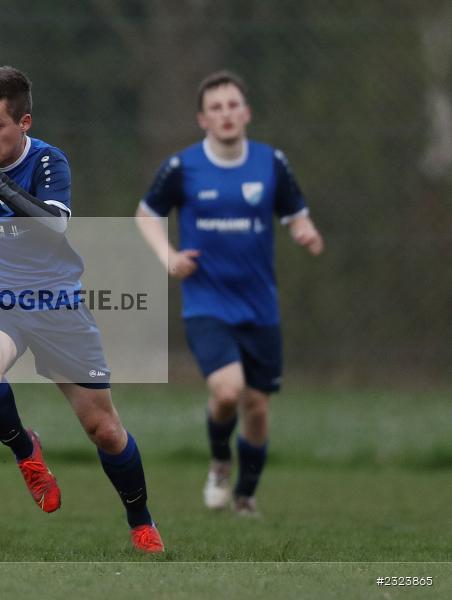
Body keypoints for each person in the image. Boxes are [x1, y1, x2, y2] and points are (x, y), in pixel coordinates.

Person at [0, 66, 164, 553]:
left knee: (103, 429)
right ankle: (27, 452)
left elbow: (54, 227)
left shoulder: (48, 164)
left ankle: (141, 522)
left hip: (55, 304)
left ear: (25, 123)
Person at [135, 70, 324, 516]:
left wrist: (305, 231)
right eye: (216, 108)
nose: (226, 114)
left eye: (233, 105)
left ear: (247, 113)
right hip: (207, 301)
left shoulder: (270, 162)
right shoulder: (183, 167)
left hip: (260, 304)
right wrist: (168, 256)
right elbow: (145, 214)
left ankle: (245, 496)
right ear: (203, 118)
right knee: (226, 392)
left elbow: (295, 213)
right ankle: (220, 461)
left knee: (256, 406)